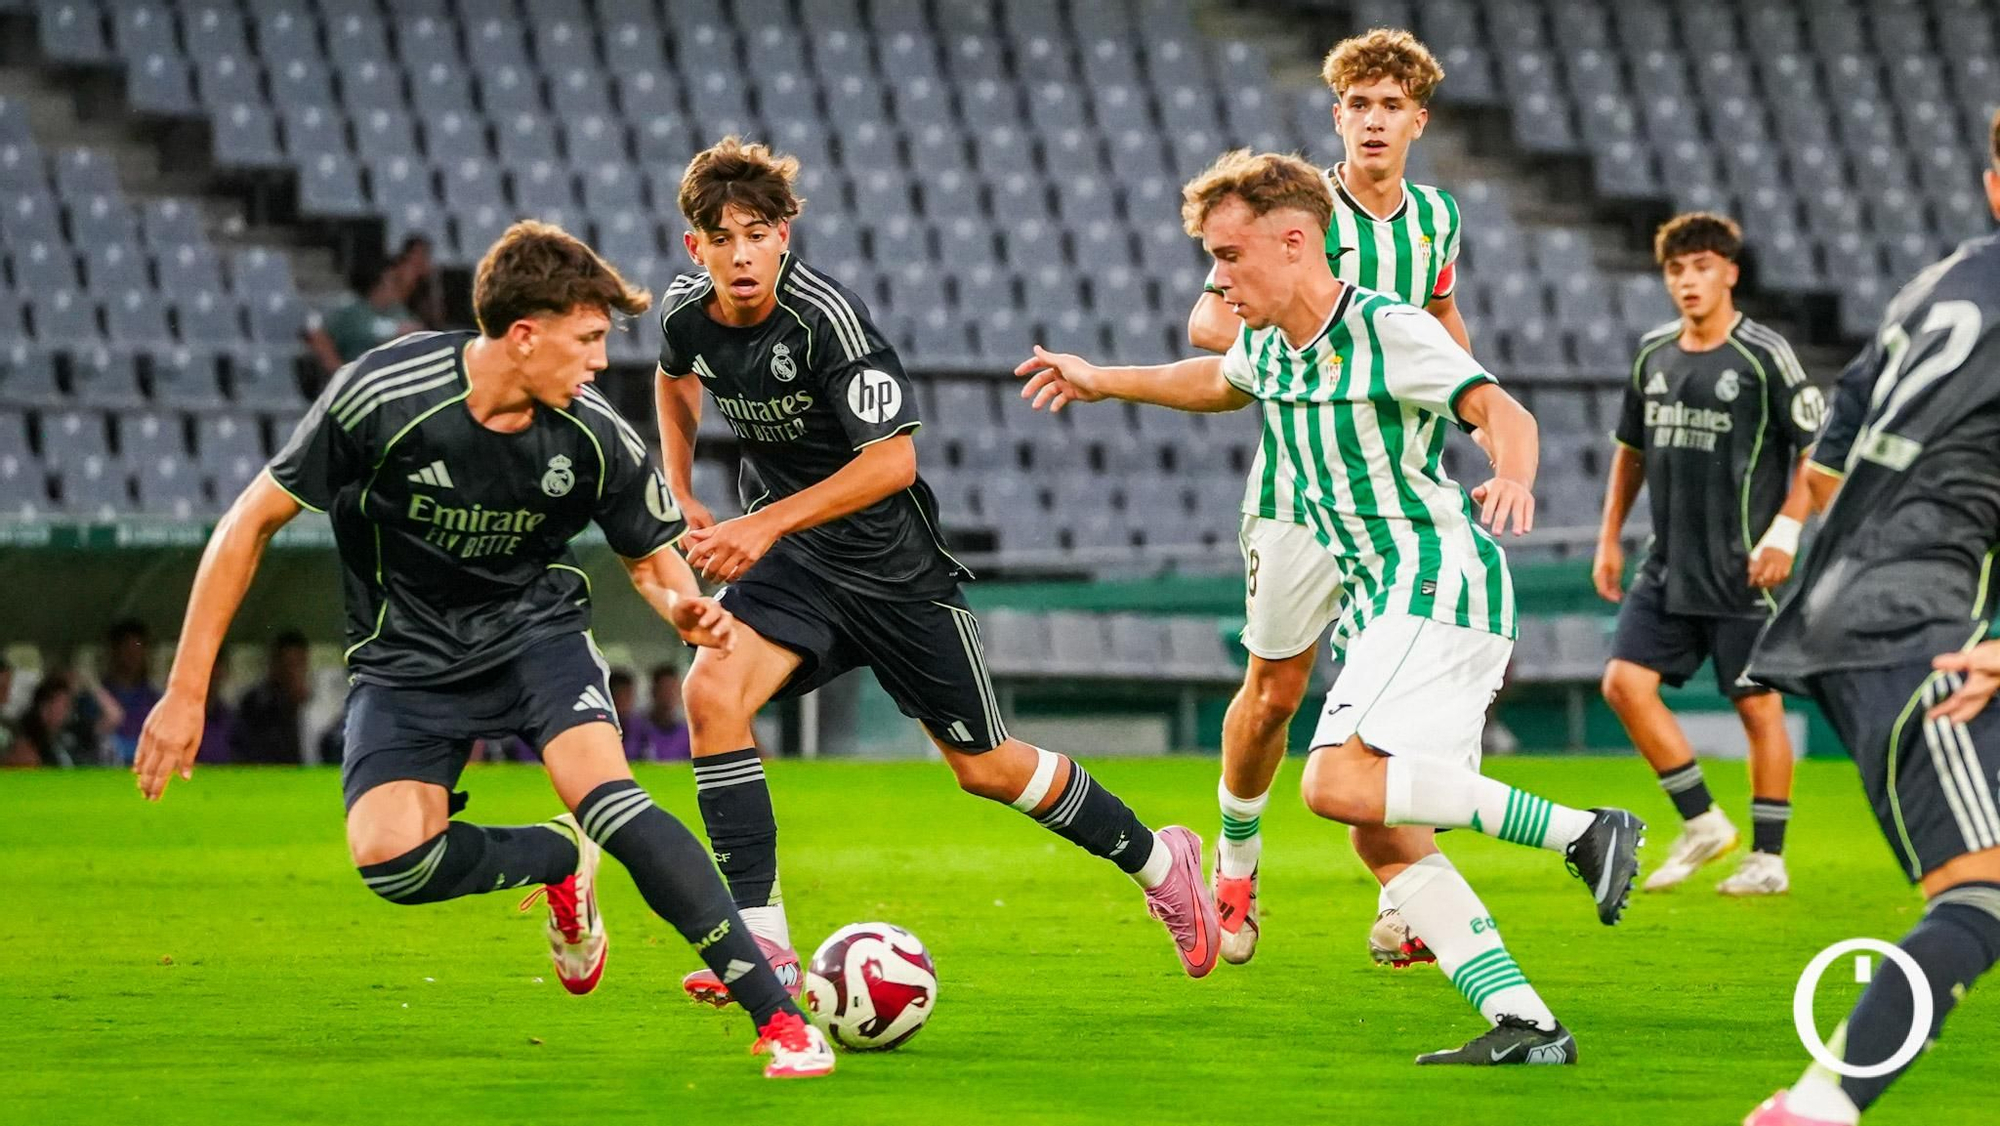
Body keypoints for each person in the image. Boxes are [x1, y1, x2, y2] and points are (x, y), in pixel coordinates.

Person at [133, 220, 833, 1080]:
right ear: (524, 335)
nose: (598, 363)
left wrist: (680, 608)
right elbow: (249, 524)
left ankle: (779, 1018)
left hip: (535, 640)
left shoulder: (594, 435)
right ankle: (552, 858)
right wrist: (186, 690)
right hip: (405, 662)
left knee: (609, 796)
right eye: (584, 341)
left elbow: (652, 562)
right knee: (391, 862)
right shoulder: (384, 396)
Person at [1017, 150, 1644, 1065]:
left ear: (1295, 241)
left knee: (1331, 784)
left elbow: (1502, 408)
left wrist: (1511, 474)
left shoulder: (1386, 327)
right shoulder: (1271, 343)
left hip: (1437, 582)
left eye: (1230, 257)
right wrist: (1102, 378)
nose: (1218, 279)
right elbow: (1215, 382)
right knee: (1381, 836)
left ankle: (1586, 830)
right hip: (1397, 598)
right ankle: (1528, 1024)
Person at [655, 137, 1218, 1005]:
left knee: (985, 768)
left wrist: (758, 522)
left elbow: (893, 466)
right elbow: (674, 378)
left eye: (757, 233)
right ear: (695, 247)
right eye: (721, 237)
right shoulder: (684, 311)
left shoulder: (829, 320)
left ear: (785, 235)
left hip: (892, 571)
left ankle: (1158, 860)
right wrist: (684, 485)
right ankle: (763, 945)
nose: (740, 253)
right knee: (710, 694)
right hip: (800, 563)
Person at [1187, 28, 1476, 968]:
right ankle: (1235, 861)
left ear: (1418, 120)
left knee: (1400, 712)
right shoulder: (1296, 211)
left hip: (1399, 496)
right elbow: (1209, 316)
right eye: (1359, 104)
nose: (1375, 119)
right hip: (1300, 490)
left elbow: (1437, 313)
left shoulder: (1436, 217)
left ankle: (1406, 906)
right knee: (1275, 693)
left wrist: (1473, 394)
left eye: (1392, 104)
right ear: (1337, 116)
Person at [1741, 114, 2000, 1126]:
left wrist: (1785, 532)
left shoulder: (1931, 286)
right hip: (1915, 629)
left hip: (1859, 605)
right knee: (1978, 895)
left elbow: (1831, 445)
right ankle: (1812, 1110)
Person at [1593, 213, 1825, 896]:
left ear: (1730, 272)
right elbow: (1629, 453)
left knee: (1757, 708)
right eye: (1676, 270)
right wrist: (1610, 537)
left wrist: (1786, 530)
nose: (1688, 281)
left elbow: (1817, 448)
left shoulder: (1764, 354)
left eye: (1701, 267)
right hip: (1667, 561)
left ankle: (1769, 860)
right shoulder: (1652, 354)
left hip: (1743, 567)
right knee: (1623, 685)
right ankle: (1702, 822)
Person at [305, 242, 433, 375]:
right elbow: (317, 334)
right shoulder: (351, 310)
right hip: (358, 381)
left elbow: (416, 335)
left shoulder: (398, 311)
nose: (397, 287)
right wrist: (340, 373)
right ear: (377, 285)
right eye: (393, 282)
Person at [229, 630, 312, 765]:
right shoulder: (256, 703)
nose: (292, 673)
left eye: (298, 664)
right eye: (287, 665)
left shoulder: (319, 701)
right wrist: (290, 705)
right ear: (274, 665)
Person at [100, 619, 160, 764]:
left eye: (138, 648)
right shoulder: (97, 697)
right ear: (115, 651)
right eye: (127, 648)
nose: (133, 656)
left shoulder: (155, 699)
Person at [7, 675, 89, 767]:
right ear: (44, 706)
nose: (68, 711)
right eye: (64, 705)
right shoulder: (26, 747)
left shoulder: (61, 738)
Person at [624, 663, 691, 763]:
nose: (669, 695)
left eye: (673, 689)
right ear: (653, 691)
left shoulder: (687, 733)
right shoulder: (634, 729)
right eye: (665, 688)